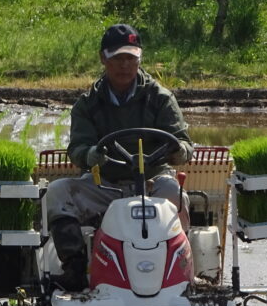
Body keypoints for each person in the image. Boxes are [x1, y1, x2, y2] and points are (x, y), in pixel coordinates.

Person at [46, 23, 194, 291]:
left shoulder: (160, 98)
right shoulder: (88, 103)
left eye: (131, 58)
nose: (125, 65)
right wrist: (90, 154)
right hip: (106, 184)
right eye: (118, 58)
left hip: (152, 182)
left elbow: (183, 142)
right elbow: (78, 148)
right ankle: (75, 268)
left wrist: (178, 151)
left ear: (140, 58)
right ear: (103, 59)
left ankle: (181, 269)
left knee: (174, 191)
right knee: (57, 192)